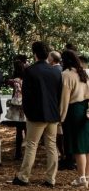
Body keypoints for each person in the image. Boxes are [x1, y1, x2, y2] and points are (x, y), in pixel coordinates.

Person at [12, 41, 62, 187]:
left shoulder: (30, 71)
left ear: (34, 54)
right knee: (51, 146)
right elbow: (58, 94)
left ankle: (23, 176)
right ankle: (50, 179)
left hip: (36, 115)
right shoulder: (56, 71)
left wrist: (27, 112)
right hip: (52, 114)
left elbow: (26, 95)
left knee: (31, 145)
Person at [59, 49, 89, 187]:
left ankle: (81, 177)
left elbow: (65, 99)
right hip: (85, 110)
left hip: (74, 111)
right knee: (86, 145)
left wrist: (61, 117)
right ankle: (87, 176)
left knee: (79, 147)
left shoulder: (66, 74)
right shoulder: (84, 72)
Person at [6, 56, 27, 161]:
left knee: (19, 130)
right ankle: (28, 152)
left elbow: (8, 81)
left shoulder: (15, 80)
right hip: (27, 105)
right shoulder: (27, 79)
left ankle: (18, 153)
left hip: (18, 107)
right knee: (28, 130)